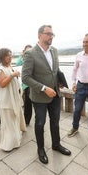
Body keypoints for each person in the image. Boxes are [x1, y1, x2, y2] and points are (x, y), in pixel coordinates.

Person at [22, 25, 71, 164]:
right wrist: (44, 88)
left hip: (55, 94)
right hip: (39, 97)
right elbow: (25, 77)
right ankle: (41, 149)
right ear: (40, 35)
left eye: (52, 34)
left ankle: (56, 145)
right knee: (40, 123)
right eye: (48, 33)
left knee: (55, 122)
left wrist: (59, 81)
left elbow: (54, 70)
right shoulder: (30, 53)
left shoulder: (54, 51)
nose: (51, 36)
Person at [0, 48, 26, 151]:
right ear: (3, 57)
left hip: (13, 96)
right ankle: (8, 144)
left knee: (14, 118)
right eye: (8, 55)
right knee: (9, 121)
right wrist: (13, 75)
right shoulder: (0, 69)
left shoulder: (8, 66)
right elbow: (2, 84)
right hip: (6, 98)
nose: (10, 57)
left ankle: (15, 138)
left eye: (11, 55)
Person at [16, 44, 33, 125]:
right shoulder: (24, 59)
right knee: (27, 104)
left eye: (30, 50)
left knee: (35, 104)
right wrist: (21, 55)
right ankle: (26, 120)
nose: (28, 52)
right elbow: (17, 63)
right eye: (27, 50)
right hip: (26, 85)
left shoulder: (34, 58)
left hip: (34, 84)